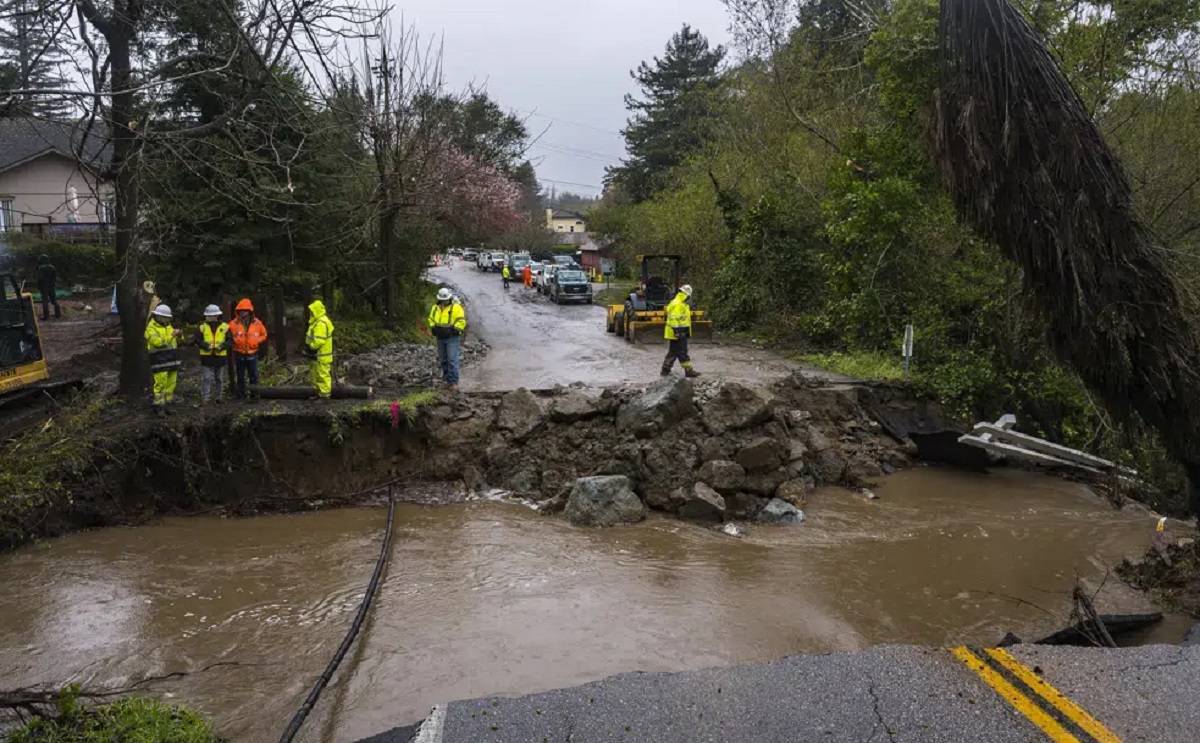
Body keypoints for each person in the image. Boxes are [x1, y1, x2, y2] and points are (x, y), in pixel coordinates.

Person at [427, 287, 467, 390]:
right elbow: (431, 318)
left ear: (449, 298)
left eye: (445, 300)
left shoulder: (456, 308)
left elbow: (461, 320)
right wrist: (433, 327)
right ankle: (446, 379)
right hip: (440, 336)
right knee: (443, 359)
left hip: (452, 337)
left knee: (452, 360)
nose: (444, 302)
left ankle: (453, 382)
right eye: (442, 300)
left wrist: (456, 329)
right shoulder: (435, 308)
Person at [145, 304, 183, 412]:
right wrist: (172, 335)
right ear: (157, 316)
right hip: (159, 360)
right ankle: (159, 406)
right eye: (165, 317)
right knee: (160, 384)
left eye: (168, 317)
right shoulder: (150, 329)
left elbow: (178, 342)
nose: (167, 319)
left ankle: (167, 405)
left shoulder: (168, 326)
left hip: (172, 360)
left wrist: (179, 335)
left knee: (171, 384)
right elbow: (157, 342)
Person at [229, 298, 268, 399]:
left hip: (252, 353)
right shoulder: (233, 324)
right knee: (240, 376)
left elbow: (264, 334)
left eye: (245, 310)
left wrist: (256, 341)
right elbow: (228, 336)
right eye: (240, 310)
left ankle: (254, 394)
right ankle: (241, 395)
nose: (243, 312)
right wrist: (235, 341)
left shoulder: (257, 323)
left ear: (250, 311)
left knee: (254, 375)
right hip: (239, 353)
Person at [195, 304, 232, 406]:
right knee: (206, 378)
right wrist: (206, 346)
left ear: (217, 315)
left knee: (219, 378)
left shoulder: (225, 327)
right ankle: (205, 398)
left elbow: (230, 341)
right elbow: (198, 340)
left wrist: (222, 347)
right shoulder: (202, 327)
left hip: (220, 356)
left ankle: (218, 397)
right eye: (209, 315)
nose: (211, 317)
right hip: (206, 356)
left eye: (212, 315)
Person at [662, 284, 701, 379]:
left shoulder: (682, 303)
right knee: (682, 352)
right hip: (677, 333)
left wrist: (686, 331)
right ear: (687, 295)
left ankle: (665, 370)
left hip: (679, 332)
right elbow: (674, 319)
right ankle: (688, 371)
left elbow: (684, 320)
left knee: (674, 352)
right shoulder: (678, 304)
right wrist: (677, 332)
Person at [304, 299, 335, 399]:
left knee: (322, 376)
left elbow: (319, 341)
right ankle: (318, 394)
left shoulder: (321, 323)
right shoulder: (316, 321)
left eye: (312, 311)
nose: (310, 313)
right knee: (315, 375)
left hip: (321, 355)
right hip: (316, 355)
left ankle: (325, 396)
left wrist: (311, 347)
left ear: (316, 311)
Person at [35, 254, 61, 321]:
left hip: (44, 286)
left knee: (45, 301)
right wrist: (53, 284)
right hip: (51, 286)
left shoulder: (41, 268)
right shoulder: (52, 267)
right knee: (54, 300)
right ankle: (58, 314)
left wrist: (38, 286)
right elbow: (55, 278)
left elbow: (40, 278)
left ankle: (46, 316)